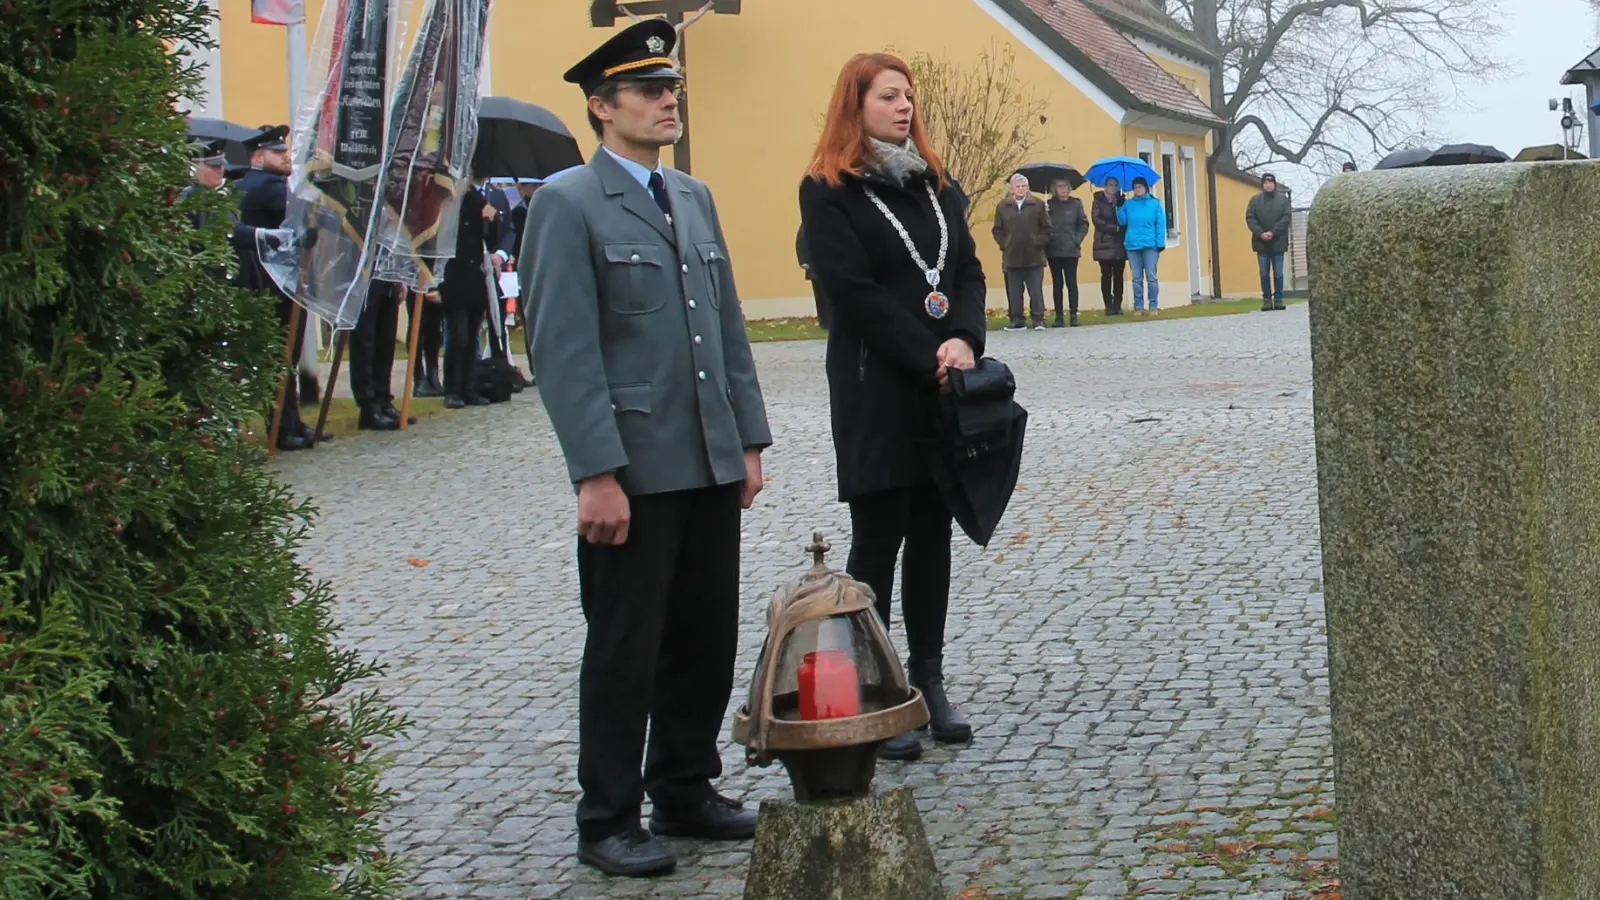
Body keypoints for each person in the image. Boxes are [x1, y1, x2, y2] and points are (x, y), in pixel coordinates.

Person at [521, 18, 772, 879]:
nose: (669, 102)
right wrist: (595, 472)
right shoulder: (568, 202)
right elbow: (563, 348)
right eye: (649, 91)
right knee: (626, 647)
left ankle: (685, 787)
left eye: (672, 89)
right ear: (602, 105)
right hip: (633, 465)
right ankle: (608, 815)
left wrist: (747, 438)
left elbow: (726, 329)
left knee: (705, 634)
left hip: (705, 456)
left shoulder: (692, 197)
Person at [798, 51, 985, 763]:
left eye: (908, 96)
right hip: (876, 385)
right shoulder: (828, 190)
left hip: (943, 386)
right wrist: (928, 354)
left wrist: (964, 339)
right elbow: (853, 293)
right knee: (879, 538)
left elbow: (967, 272)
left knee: (933, 534)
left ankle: (927, 677)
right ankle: (875, 689)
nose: (904, 107)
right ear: (855, 106)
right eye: (887, 96)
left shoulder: (939, 184)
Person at [229, 124, 319, 450]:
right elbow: (307, 208)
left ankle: (291, 422)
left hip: (283, 281)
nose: (285, 157)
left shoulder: (272, 184)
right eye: (277, 153)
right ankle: (282, 427)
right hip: (271, 282)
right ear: (257, 157)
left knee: (286, 355)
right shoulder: (263, 185)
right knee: (279, 356)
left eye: (284, 151)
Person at [438, 175, 511, 408]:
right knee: (458, 336)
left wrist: (491, 220)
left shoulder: (487, 197)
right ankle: (452, 388)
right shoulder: (456, 194)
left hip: (477, 275)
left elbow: (491, 239)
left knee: (472, 335)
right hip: (455, 274)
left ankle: (467, 387)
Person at [992, 172, 1051, 331]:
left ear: (1028, 187)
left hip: (1034, 255)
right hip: (1012, 255)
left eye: (1024, 186)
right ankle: (1017, 320)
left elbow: (1046, 228)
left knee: (1035, 291)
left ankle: (1038, 319)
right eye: (1018, 186)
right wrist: (1004, 244)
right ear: (1012, 188)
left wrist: (1038, 242)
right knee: (1014, 292)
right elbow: (997, 229)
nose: (1021, 189)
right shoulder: (1003, 206)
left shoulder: (1037, 205)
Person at [1116, 175, 1166, 316]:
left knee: (1151, 277)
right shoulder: (1129, 204)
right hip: (1133, 245)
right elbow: (1122, 221)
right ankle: (1138, 306)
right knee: (1136, 278)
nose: (1137, 189)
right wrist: (1119, 206)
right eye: (1135, 187)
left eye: (1139, 187)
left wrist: (1160, 243)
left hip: (1150, 244)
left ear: (1146, 188)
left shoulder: (1155, 203)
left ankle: (1153, 306)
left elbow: (1161, 224)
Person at [1044, 178, 1089, 327]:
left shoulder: (1076, 204)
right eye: (1059, 186)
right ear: (1054, 189)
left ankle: (1074, 314)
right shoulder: (1049, 205)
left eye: (1065, 186)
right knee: (1057, 284)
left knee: (1071, 282)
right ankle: (1059, 316)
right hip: (1053, 249)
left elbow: (1083, 224)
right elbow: (1043, 225)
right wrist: (1045, 213)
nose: (1063, 189)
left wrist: (1077, 239)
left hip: (1071, 250)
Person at [1246, 172, 1292, 312]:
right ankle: (1266, 300)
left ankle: (1278, 299)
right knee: (1264, 274)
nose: (1268, 185)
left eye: (1270, 182)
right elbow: (1250, 218)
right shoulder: (1255, 201)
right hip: (1261, 243)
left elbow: (1286, 217)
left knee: (1278, 273)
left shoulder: (1283, 200)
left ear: (1274, 184)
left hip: (1278, 242)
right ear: (1262, 185)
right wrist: (1261, 233)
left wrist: (1273, 232)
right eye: (1265, 182)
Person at [1091, 176, 1127, 315]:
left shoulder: (1121, 200)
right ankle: (1108, 304)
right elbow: (1096, 219)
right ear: (1105, 186)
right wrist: (1113, 228)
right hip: (1104, 242)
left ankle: (1118, 304)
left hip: (1119, 243)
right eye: (1111, 185)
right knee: (1106, 275)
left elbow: (1125, 218)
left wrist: (1121, 205)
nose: (1113, 188)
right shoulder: (1098, 200)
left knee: (1119, 275)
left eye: (1115, 185)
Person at [794, 224, 832, 330]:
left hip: (830, 267)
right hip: (815, 266)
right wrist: (803, 261)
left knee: (829, 297)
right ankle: (825, 322)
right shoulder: (809, 222)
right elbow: (801, 240)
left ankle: (830, 322)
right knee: (821, 297)